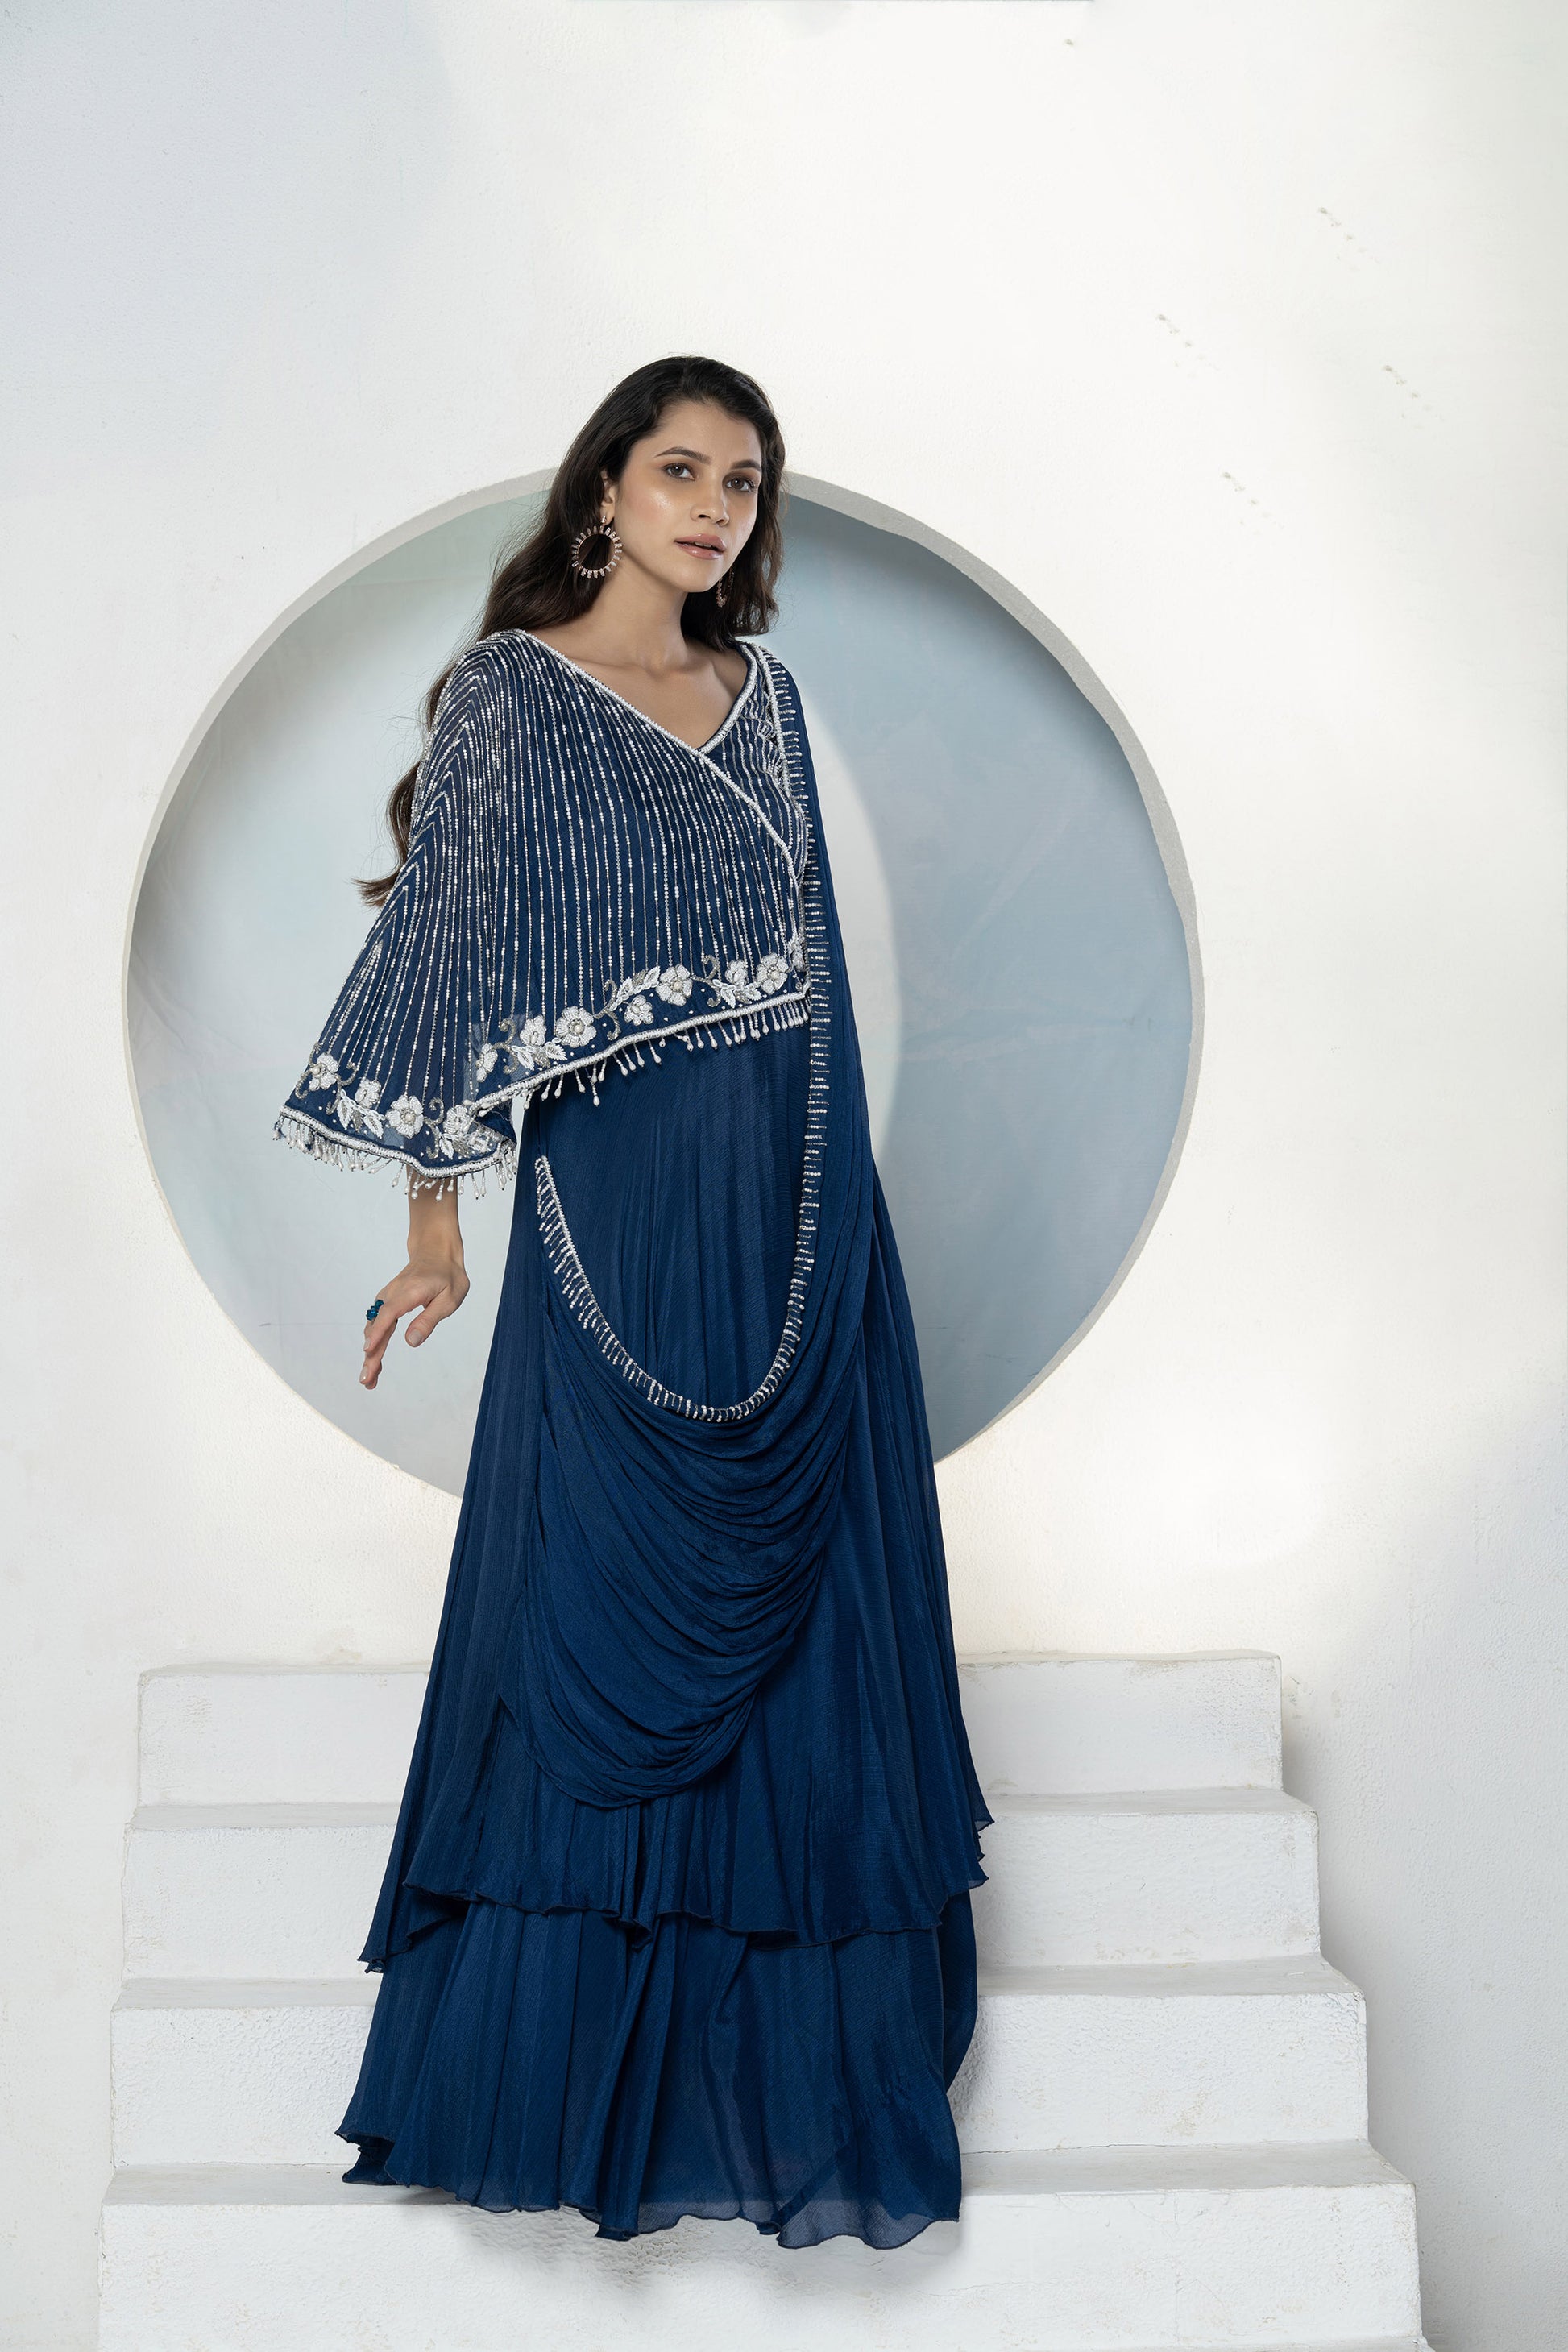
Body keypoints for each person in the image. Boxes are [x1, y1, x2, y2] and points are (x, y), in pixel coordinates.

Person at [275, 355, 990, 2250]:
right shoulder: (515, 698)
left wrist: (842, 1234)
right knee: (597, 1602)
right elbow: (452, 951)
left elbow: (816, 978)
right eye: (679, 470)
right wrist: (438, 1227)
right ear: (604, 487)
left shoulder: (768, 700)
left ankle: (789, 2073)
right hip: (618, 1200)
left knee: (809, 1615)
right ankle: (577, 2077)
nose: (712, 508)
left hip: (797, 1206)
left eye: (742, 483)